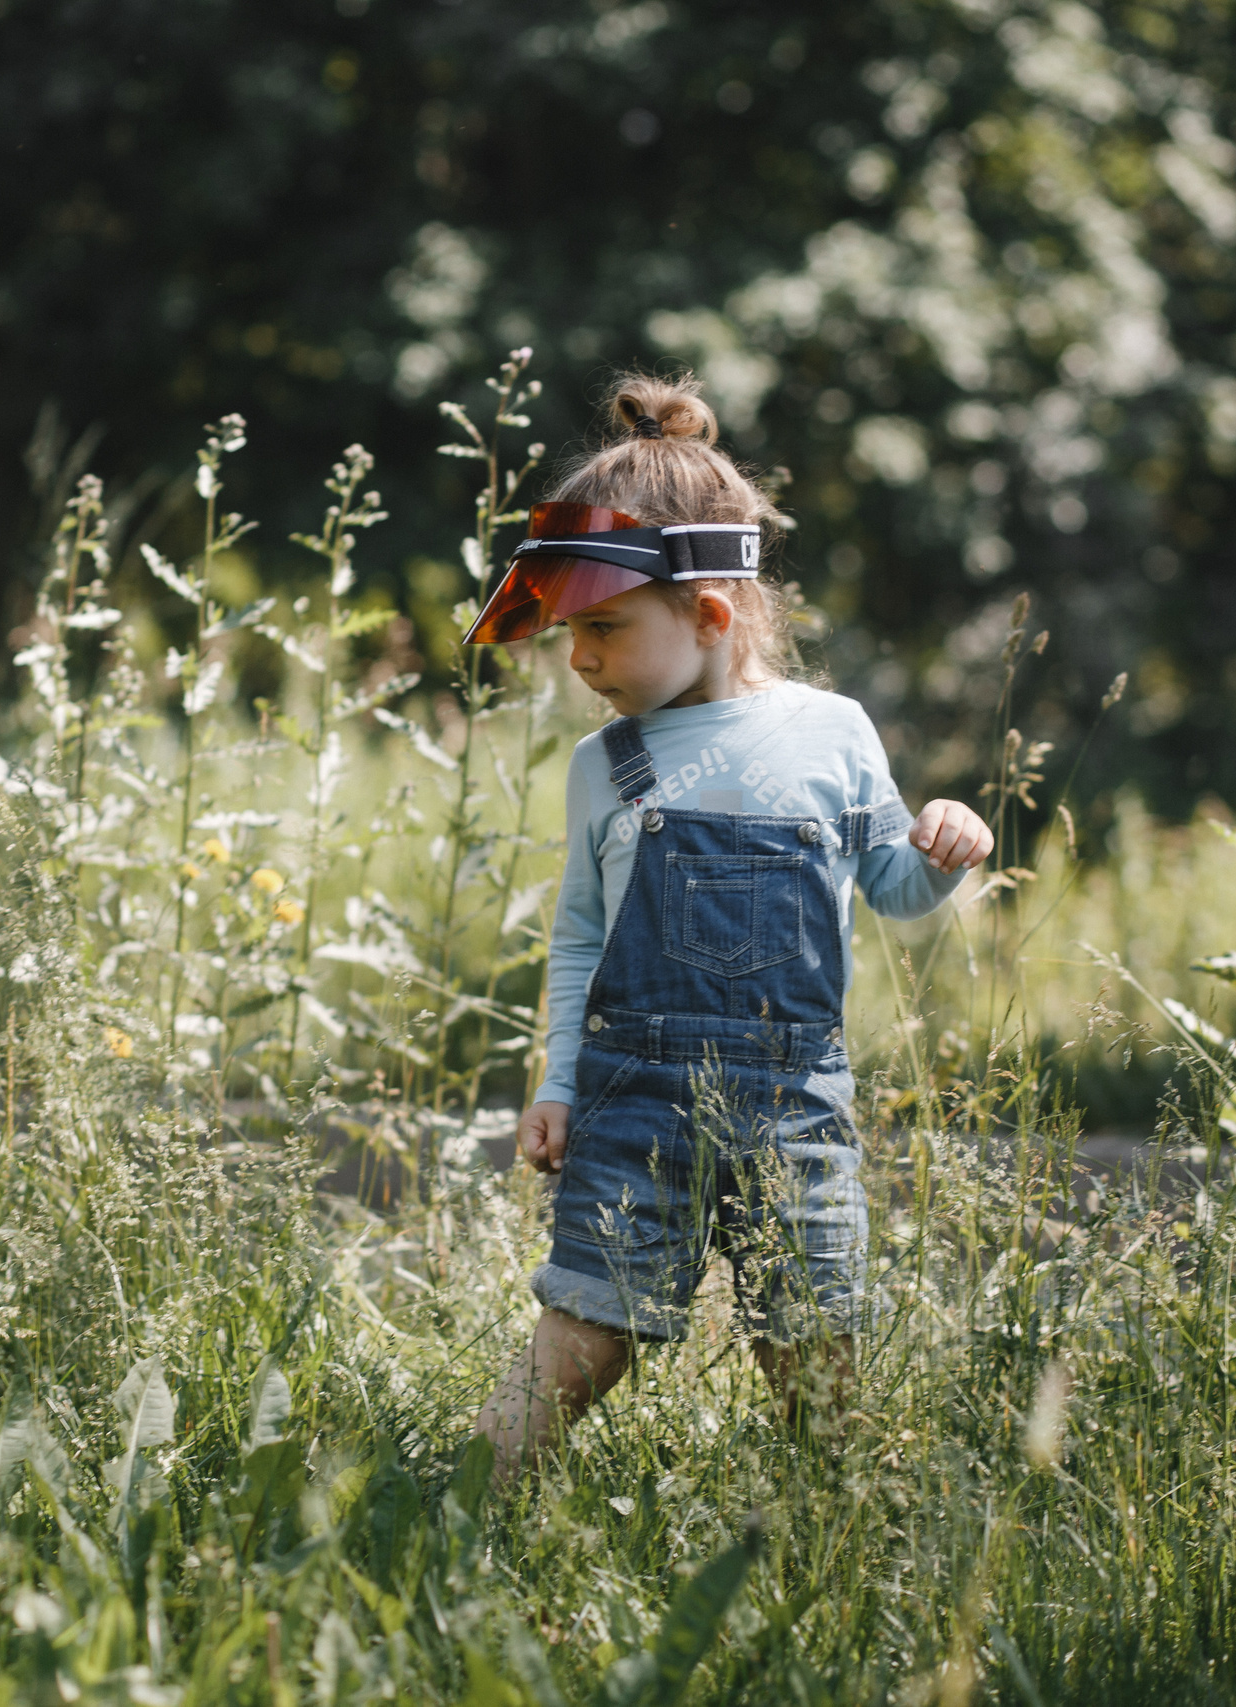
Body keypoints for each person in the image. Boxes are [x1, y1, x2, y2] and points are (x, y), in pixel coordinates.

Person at [470, 377, 992, 1477]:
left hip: (792, 1101)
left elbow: (893, 889)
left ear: (708, 617)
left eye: (603, 628)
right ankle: (474, 1488)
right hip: (629, 1098)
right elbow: (578, 941)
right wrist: (559, 1083)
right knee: (586, 1330)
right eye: (571, 633)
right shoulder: (601, 767)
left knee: (808, 1339)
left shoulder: (831, 734)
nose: (579, 658)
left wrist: (945, 844)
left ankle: (838, 1519)